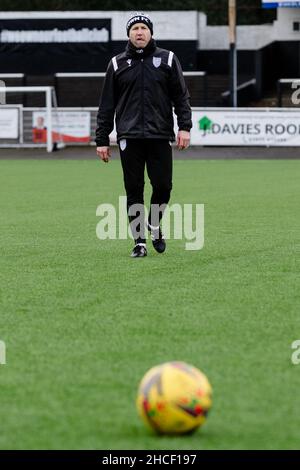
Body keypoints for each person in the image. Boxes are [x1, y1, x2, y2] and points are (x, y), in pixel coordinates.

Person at [96, 12, 192, 258]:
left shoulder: (168, 59)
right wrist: (102, 139)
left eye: (143, 28)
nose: (139, 32)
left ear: (151, 32)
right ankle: (139, 242)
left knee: (163, 186)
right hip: (129, 136)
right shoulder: (117, 64)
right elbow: (106, 104)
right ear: (128, 34)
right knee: (134, 189)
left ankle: (154, 224)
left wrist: (185, 126)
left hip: (160, 134)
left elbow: (181, 97)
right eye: (135, 28)